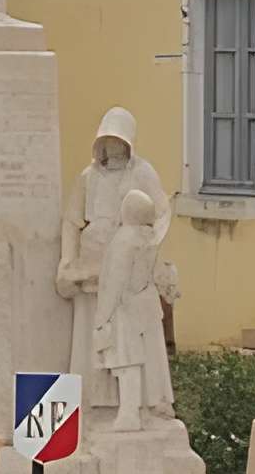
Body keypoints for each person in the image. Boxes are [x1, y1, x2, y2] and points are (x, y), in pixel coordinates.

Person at [59, 106, 172, 414]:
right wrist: (66, 261)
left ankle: (138, 403)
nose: (113, 147)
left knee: (128, 340)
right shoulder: (87, 177)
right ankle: (89, 400)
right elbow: (71, 220)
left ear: (128, 142)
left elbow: (161, 213)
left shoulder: (142, 172)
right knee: (92, 333)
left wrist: (145, 250)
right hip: (92, 262)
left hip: (127, 270)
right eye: (107, 141)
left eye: (118, 141)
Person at [93, 189, 172, 429]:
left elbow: (114, 282)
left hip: (124, 307)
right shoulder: (148, 237)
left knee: (126, 360)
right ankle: (147, 408)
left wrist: (102, 315)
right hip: (146, 307)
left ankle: (129, 413)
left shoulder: (124, 239)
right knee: (146, 359)